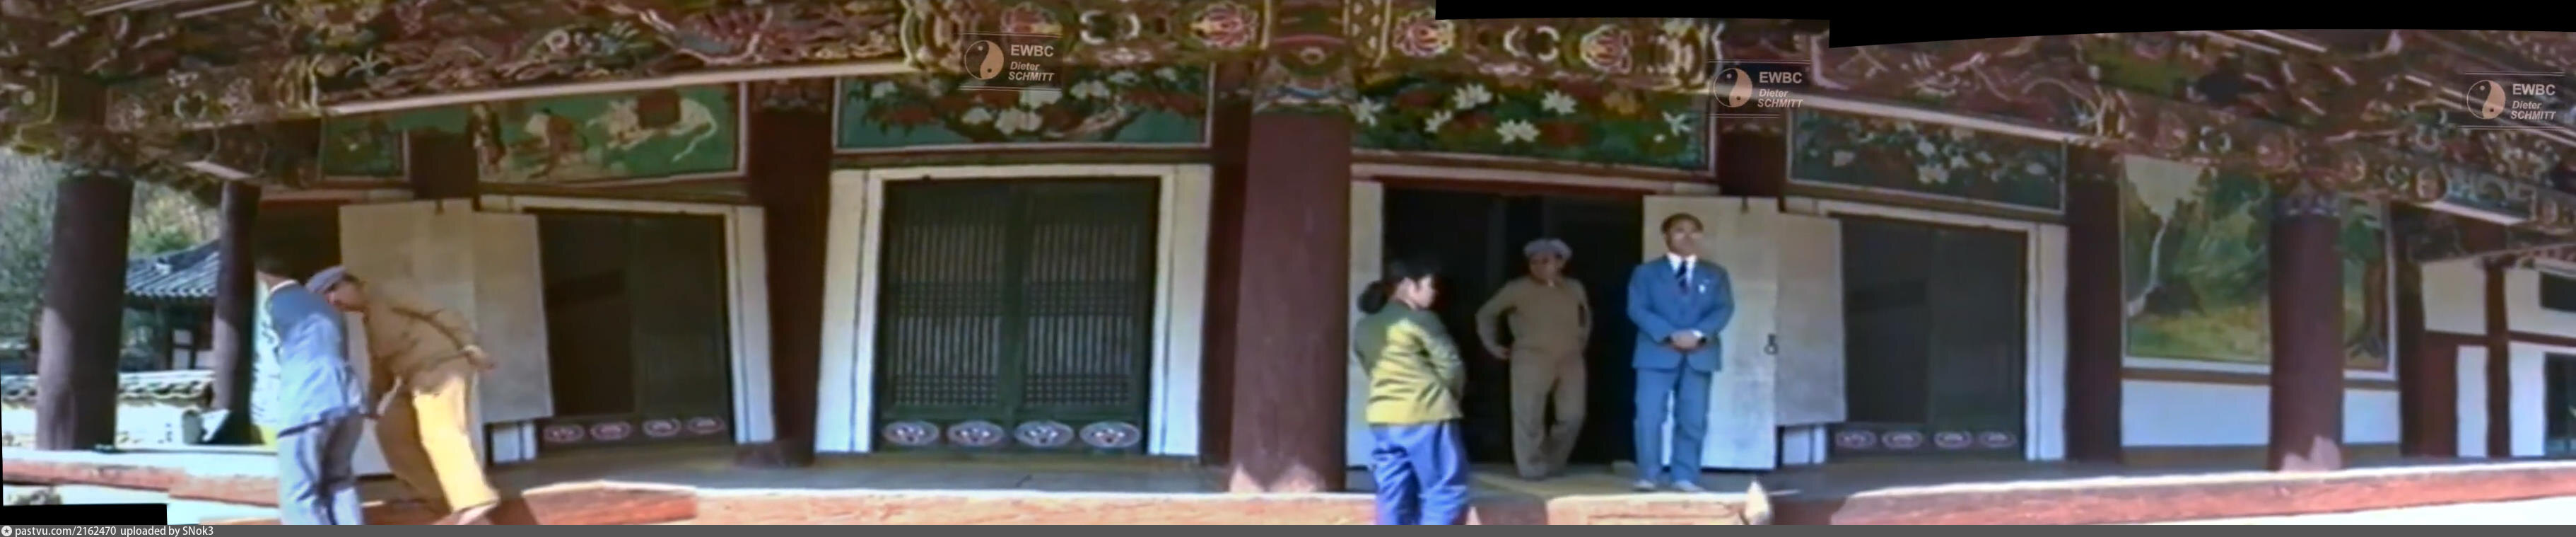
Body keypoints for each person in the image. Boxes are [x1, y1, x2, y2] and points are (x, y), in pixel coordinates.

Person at [309, 267, 502, 525]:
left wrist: (470, 345)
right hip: (412, 378)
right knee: (391, 431)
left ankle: (475, 500)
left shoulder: (387, 292)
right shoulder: (370, 319)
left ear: (350, 284)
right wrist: (372, 400)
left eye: (333, 291)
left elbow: (439, 313)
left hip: (440, 366)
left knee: (440, 431)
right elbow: (381, 366)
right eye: (326, 298)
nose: (333, 301)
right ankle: (440, 498)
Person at [1352, 255, 1470, 525]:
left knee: (1394, 494)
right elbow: (1451, 366)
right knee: (1443, 491)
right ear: (1407, 285)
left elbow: (1371, 366)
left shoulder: (1365, 325)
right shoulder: (1421, 320)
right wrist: (1450, 399)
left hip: (1384, 418)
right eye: (1430, 285)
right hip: (1427, 414)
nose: (1434, 293)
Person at [254, 255, 367, 525]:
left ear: (261, 277)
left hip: (305, 401)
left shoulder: (270, 306)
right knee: (339, 481)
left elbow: (267, 365)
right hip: (347, 399)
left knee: (299, 492)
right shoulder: (327, 306)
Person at [1626, 212, 1733, 493]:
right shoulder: (1646, 273)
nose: (1687, 236)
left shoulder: (1716, 274)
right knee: (1649, 417)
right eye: (1679, 230)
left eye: (1694, 231)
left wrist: (1697, 334)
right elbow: (1637, 308)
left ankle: (1685, 476)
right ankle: (1648, 475)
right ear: (1666, 236)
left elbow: (1724, 309)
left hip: (1700, 353)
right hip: (1655, 353)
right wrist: (1669, 333)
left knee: (1693, 418)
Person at [1474, 238, 1592, 480]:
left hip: (1570, 359)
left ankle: (1553, 463)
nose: (1538, 266)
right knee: (1528, 416)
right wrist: (1492, 345)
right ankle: (1531, 468)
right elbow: (1486, 314)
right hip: (1531, 358)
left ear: (1560, 263)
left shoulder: (1574, 287)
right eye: (1534, 261)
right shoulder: (1517, 288)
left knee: (1573, 415)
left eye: (1546, 261)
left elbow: (1586, 317)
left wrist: (1581, 341)